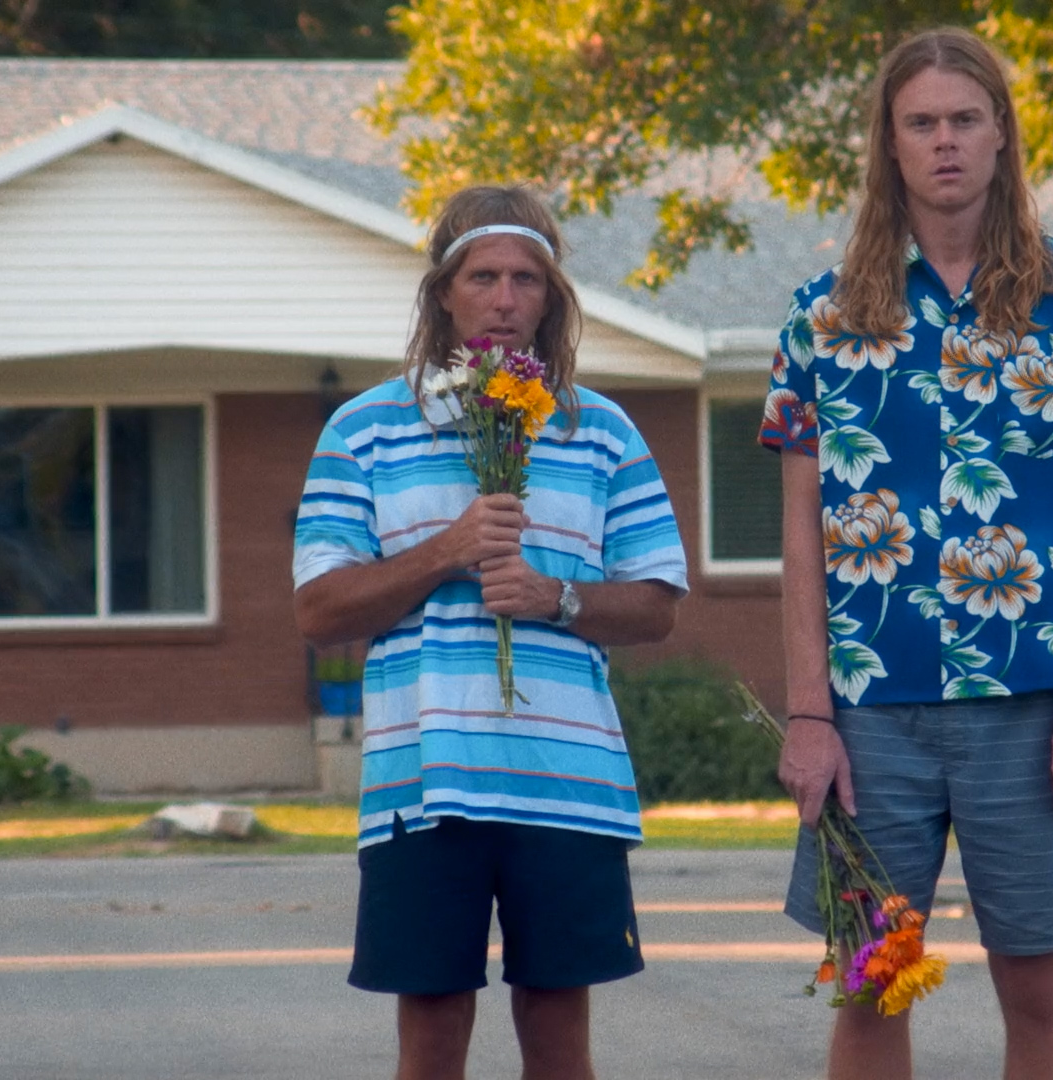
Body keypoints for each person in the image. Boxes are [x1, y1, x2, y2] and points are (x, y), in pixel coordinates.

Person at [758, 28, 1053, 1080]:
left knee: (1036, 994)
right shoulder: (822, 316)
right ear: (889, 145)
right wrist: (809, 714)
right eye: (921, 123)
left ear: (1002, 136)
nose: (944, 142)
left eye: (964, 120)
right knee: (874, 991)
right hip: (870, 714)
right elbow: (799, 530)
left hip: (1033, 710)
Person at [292, 185, 688, 1080]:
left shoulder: (601, 430)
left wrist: (558, 597)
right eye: (483, 277)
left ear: (552, 298)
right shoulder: (362, 430)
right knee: (430, 1040)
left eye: (527, 279)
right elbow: (319, 615)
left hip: (566, 782)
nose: (505, 299)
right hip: (421, 787)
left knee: (558, 1038)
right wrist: (447, 550)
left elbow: (659, 602)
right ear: (443, 293)